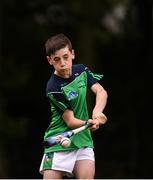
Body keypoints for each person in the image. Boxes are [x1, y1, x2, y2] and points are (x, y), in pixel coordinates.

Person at [39, 33, 108, 179]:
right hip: (58, 141)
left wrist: (97, 112)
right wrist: (88, 123)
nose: (63, 63)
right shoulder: (53, 87)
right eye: (57, 59)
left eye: (65, 57)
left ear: (73, 54)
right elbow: (70, 121)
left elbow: (101, 91)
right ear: (49, 60)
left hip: (83, 140)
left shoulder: (81, 70)